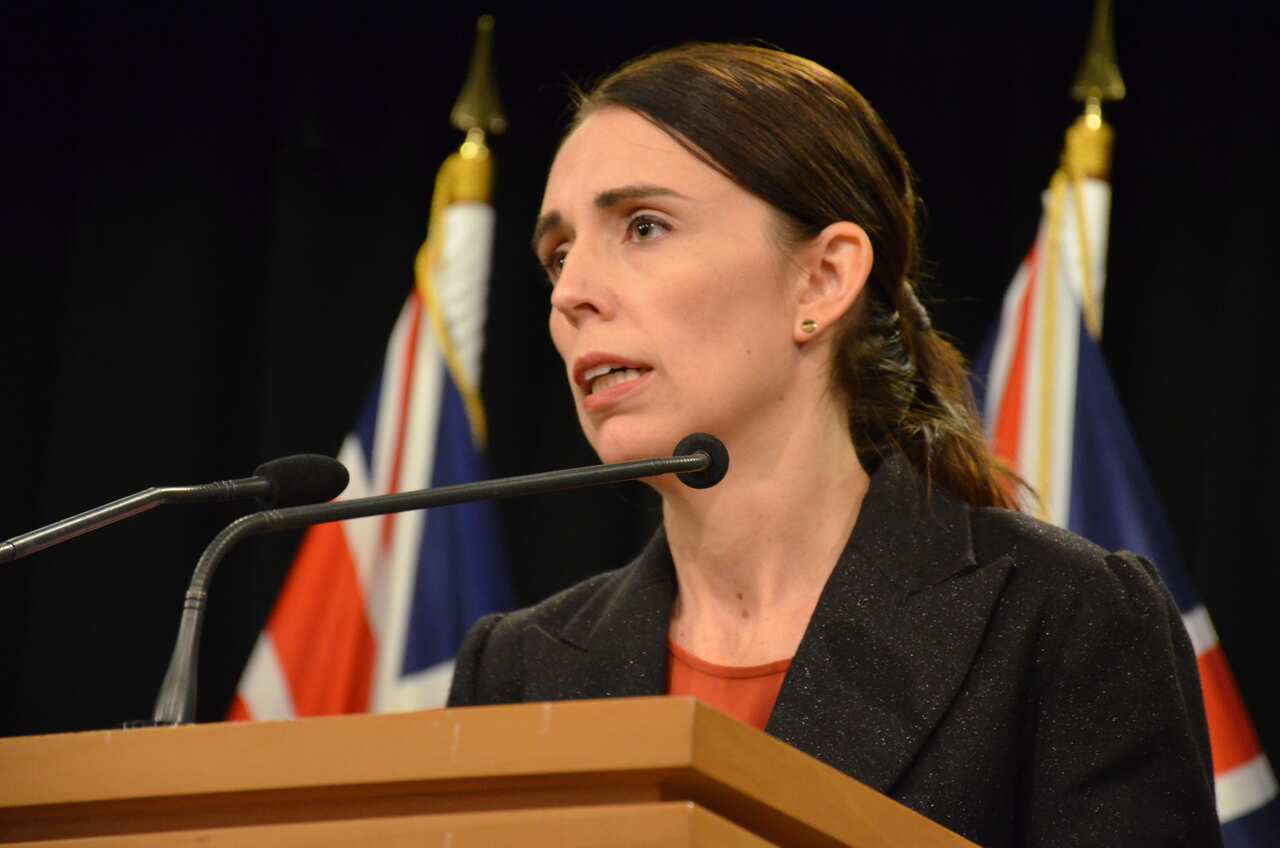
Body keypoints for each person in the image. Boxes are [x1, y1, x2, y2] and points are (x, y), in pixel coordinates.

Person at [447, 43, 1220, 846]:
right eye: (558, 254)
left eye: (644, 226)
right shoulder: (518, 672)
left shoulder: (1060, 621)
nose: (571, 293)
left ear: (822, 280)